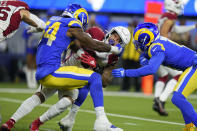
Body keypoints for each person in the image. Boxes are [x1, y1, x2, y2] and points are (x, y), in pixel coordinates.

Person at [1, 3, 123, 131]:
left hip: (43, 68)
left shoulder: (53, 20)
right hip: (55, 69)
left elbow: (58, 35)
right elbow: (91, 43)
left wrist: (84, 55)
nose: (83, 26)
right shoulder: (73, 24)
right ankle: (101, 121)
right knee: (94, 78)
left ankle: (12, 122)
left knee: (54, 97)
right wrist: (114, 49)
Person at [112, 22, 197, 131]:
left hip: (194, 66)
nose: (137, 45)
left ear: (145, 38)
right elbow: (148, 53)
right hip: (192, 66)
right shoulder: (156, 43)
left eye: (138, 42)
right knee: (180, 97)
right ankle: (189, 127)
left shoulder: (156, 47)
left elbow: (151, 69)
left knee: (178, 97)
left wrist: (126, 72)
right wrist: (144, 56)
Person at [47, 26, 130, 131]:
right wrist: (83, 54)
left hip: (80, 75)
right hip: (67, 65)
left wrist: (99, 68)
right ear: (110, 32)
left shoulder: (113, 57)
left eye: (118, 40)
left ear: (121, 45)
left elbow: (105, 81)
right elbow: (75, 43)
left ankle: (69, 119)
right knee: (43, 95)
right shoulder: (96, 32)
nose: (114, 39)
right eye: (114, 35)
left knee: (87, 82)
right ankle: (98, 120)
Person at [152, 0, 197, 116]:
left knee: (163, 75)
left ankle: (157, 99)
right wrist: (168, 48)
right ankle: (161, 100)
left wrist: (193, 26)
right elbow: (164, 33)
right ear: (172, 5)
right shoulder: (170, 17)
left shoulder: (165, 16)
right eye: (178, 4)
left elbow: (175, 30)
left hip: (155, 49)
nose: (180, 6)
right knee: (177, 75)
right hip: (161, 50)